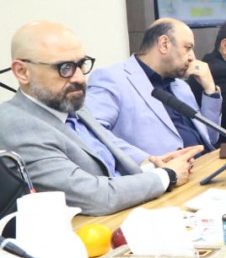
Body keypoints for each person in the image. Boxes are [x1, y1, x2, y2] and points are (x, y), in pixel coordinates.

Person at [0, 22, 197, 215]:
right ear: (22, 72)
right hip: (96, 226)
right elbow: (95, 196)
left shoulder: (69, 105)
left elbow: (110, 151)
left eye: (81, 65)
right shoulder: (16, 125)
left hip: (132, 212)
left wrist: (152, 163)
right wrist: (167, 175)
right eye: (64, 68)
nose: (80, 78)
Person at [86, 18, 220, 157]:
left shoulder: (181, 86)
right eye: (187, 48)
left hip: (207, 163)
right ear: (164, 44)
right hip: (162, 169)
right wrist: (147, 161)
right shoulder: (112, 79)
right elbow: (91, 132)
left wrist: (210, 90)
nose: (193, 57)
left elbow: (210, 138)